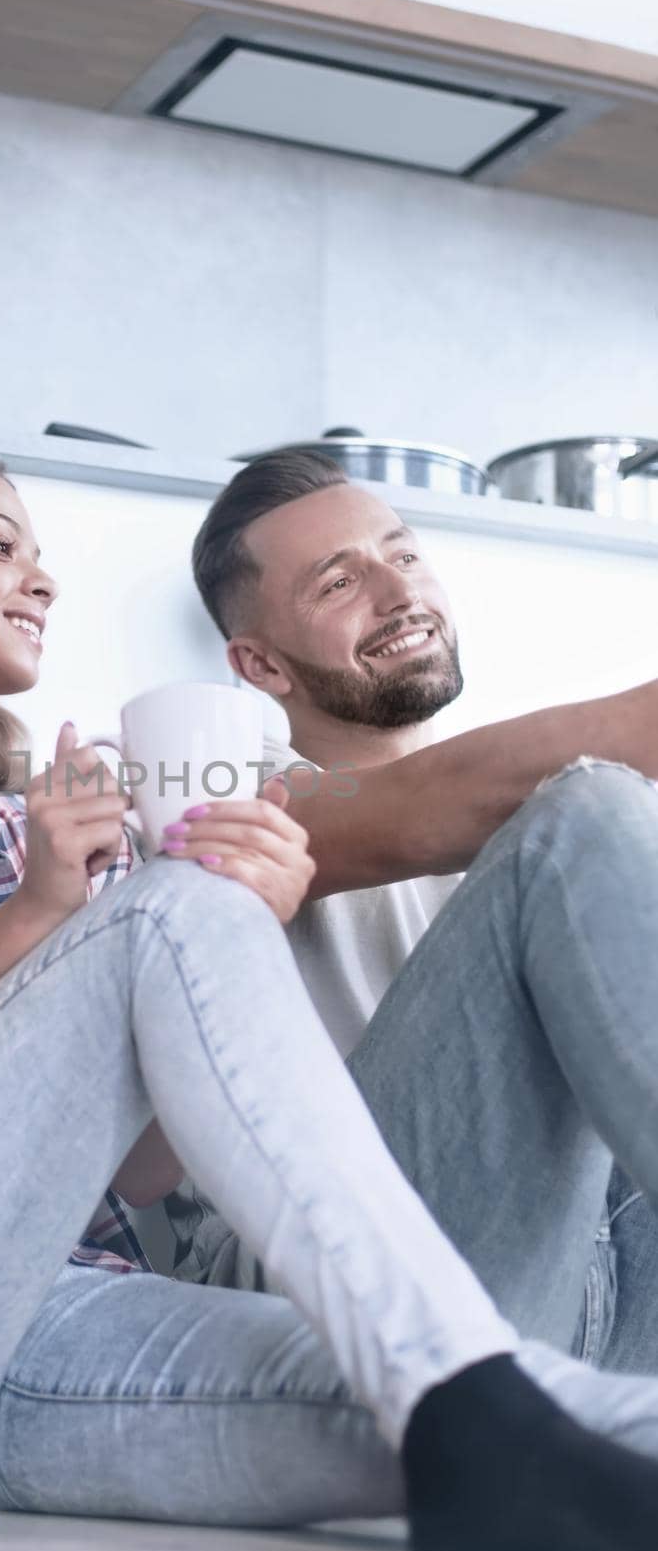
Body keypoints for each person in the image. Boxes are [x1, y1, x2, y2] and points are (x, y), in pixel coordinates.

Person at [0, 445, 658, 1551]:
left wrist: (234, 925)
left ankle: (470, 1407)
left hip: (45, 1335)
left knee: (548, 1421)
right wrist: (48, 917)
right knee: (176, 904)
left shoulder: (31, 827)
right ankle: (466, 1400)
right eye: (2, 546)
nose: (45, 579)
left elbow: (142, 1172)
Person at [125, 445, 658, 1400]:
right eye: (339, 581)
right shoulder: (220, 793)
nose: (395, 591)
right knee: (589, 811)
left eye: (403, 556)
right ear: (258, 664)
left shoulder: (541, 848)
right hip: (322, 1290)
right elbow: (440, 800)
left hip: (583, 1271)